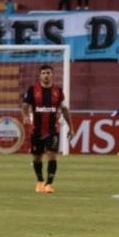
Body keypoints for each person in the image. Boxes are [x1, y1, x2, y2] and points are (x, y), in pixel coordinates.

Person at [21, 65, 74, 195]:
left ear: (52, 75)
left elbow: (65, 110)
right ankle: (40, 181)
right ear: (39, 75)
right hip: (36, 130)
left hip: (52, 129)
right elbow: (24, 106)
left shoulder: (58, 91)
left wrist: (71, 128)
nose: (46, 75)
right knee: (37, 158)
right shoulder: (32, 90)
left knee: (52, 155)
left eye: (48, 73)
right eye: (44, 73)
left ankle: (49, 184)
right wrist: (25, 116)